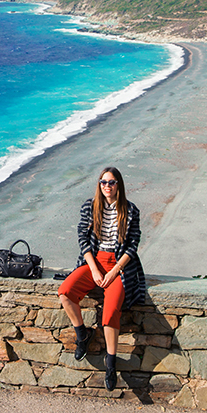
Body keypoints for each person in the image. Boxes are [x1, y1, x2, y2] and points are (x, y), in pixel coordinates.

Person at [58, 166, 146, 391]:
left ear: (119, 185)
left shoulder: (130, 210)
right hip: (93, 262)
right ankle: (82, 335)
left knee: (110, 313)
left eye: (112, 182)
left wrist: (114, 271)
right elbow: (82, 238)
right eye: (103, 182)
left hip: (118, 266)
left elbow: (133, 245)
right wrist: (95, 270)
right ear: (99, 184)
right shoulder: (90, 206)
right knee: (65, 292)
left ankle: (111, 363)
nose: (107, 186)